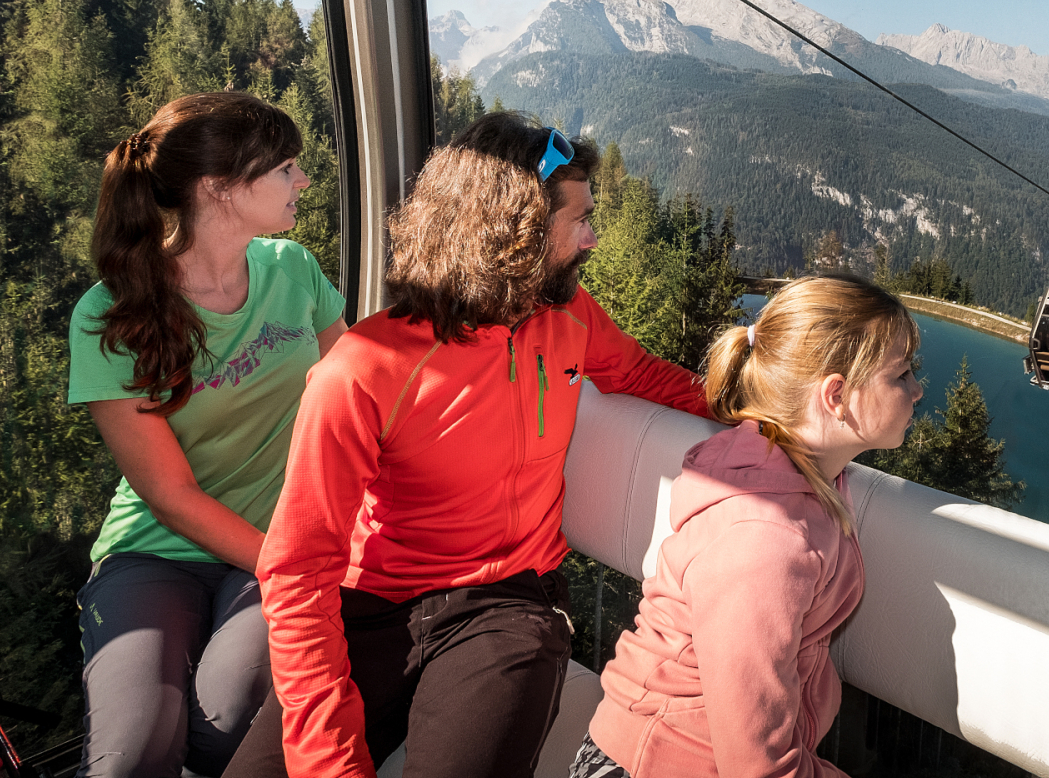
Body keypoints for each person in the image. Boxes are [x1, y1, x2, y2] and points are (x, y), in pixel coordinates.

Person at [225, 112, 716, 778]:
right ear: (514, 232)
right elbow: (298, 568)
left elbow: (638, 373)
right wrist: (326, 761)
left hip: (509, 602)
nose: (593, 237)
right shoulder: (363, 370)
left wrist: (762, 405)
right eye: (579, 220)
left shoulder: (568, 314)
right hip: (372, 605)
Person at [70, 91, 349, 778]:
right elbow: (170, 496)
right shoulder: (112, 314)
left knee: (227, 730)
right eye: (286, 167)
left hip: (279, 537)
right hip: (157, 549)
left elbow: (354, 397)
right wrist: (287, 564)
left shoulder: (295, 271)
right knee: (132, 758)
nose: (302, 181)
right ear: (219, 188)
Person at [577, 274, 922, 778]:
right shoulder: (765, 540)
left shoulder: (786, 464)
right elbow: (757, 766)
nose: (916, 390)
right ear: (836, 396)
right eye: (902, 374)